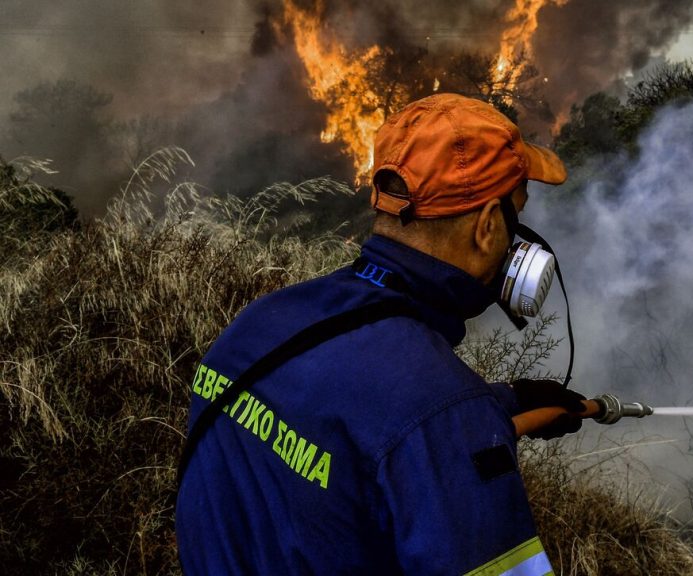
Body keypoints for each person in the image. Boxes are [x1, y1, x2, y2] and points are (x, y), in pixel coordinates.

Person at [176, 93, 587, 575]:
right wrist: (465, 424)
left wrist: (498, 403)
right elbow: (412, 421)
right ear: (487, 226)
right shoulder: (442, 415)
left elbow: (345, 415)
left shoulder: (260, 323)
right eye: (517, 216)